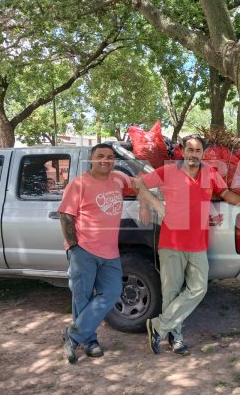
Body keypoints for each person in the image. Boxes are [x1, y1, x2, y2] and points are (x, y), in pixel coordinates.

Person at [142, 134, 240, 355]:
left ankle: (158, 326)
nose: (194, 155)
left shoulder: (210, 173)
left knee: (199, 288)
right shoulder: (168, 171)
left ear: (203, 153)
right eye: (190, 150)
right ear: (182, 151)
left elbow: (224, 193)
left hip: (198, 243)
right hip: (171, 242)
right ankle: (176, 339)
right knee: (171, 292)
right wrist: (153, 204)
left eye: (198, 151)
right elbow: (139, 184)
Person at [58, 143, 164, 364]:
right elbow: (66, 216)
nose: (105, 160)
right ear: (92, 159)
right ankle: (90, 341)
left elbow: (139, 183)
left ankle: (73, 334)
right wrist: (74, 246)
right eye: (100, 156)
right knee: (83, 297)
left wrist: (144, 204)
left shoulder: (117, 178)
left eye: (109, 157)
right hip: (84, 250)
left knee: (112, 292)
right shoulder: (78, 184)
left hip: (110, 251)